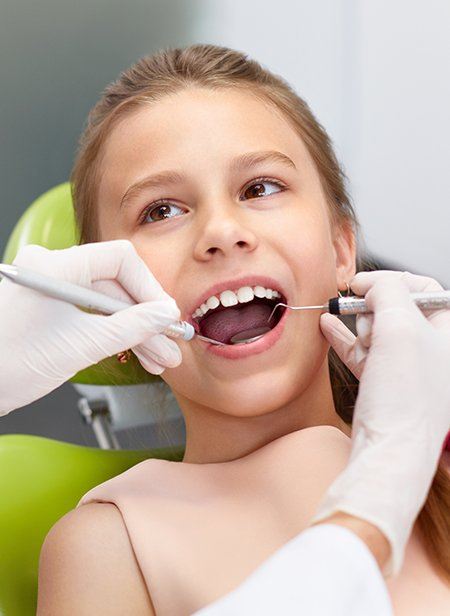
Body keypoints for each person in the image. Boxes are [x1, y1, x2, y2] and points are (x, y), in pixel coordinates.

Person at [1, 43, 448, 614]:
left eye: (260, 188)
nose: (221, 230)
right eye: (161, 210)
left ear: (342, 251)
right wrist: (379, 497)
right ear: (104, 301)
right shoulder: (111, 546)